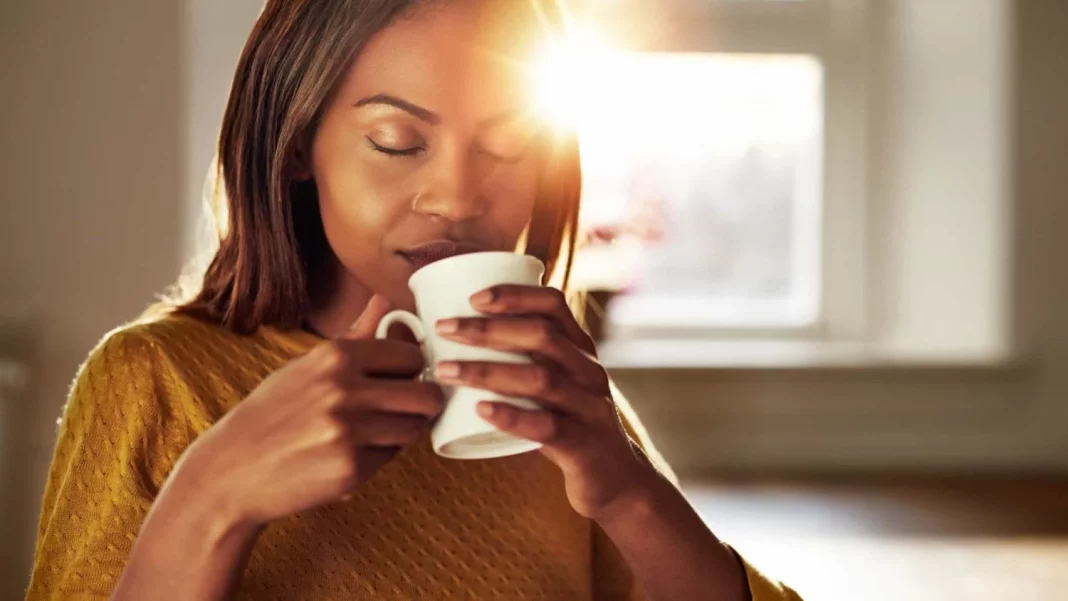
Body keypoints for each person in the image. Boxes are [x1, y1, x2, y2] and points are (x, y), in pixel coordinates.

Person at [26, 1, 801, 599]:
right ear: (298, 140)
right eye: (398, 141)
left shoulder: (547, 393)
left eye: (508, 147)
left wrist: (629, 490)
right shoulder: (152, 382)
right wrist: (214, 494)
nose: (460, 197)